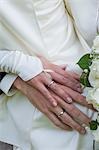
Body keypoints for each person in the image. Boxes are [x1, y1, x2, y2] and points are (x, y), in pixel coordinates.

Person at [0, 0, 97, 150]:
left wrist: (15, 68)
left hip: (19, 114)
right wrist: (15, 67)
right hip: (72, 91)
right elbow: (89, 26)